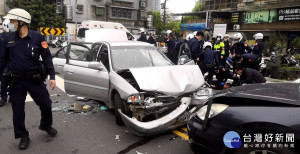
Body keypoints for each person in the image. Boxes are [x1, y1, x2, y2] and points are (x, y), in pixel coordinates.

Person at [0, 8, 57, 150]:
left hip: (34, 79)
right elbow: (2, 60)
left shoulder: (38, 37)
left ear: (21, 22)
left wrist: (52, 76)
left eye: (13, 21)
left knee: (46, 104)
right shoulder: (8, 38)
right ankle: (22, 136)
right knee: (18, 110)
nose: (11, 23)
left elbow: (47, 57)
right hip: (15, 81)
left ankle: (45, 124)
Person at [0, 18, 10, 107]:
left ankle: (12, 96)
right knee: (3, 80)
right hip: (1, 62)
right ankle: (3, 97)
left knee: (13, 80)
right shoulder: (1, 37)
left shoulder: (15, 36)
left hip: (11, 62)